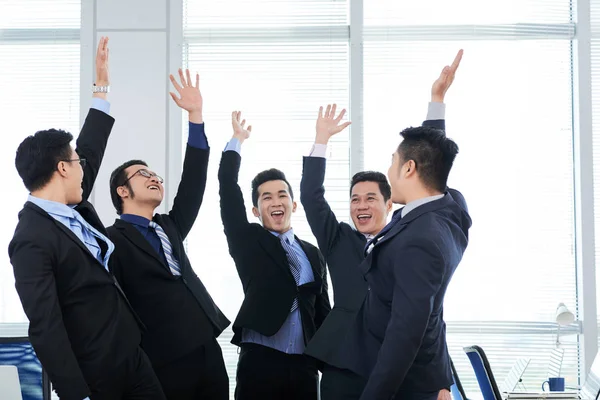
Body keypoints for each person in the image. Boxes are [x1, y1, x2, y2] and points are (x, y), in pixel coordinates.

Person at [9, 37, 166, 400]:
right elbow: (45, 326)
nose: (86, 168)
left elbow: (90, 148)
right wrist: (76, 394)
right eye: (78, 163)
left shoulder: (72, 206)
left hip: (133, 358)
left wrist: (101, 87)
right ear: (63, 168)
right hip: (98, 379)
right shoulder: (30, 239)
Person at [301, 50, 462, 400]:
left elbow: (432, 175)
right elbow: (312, 197)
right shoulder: (338, 239)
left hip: (397, 364)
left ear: (389, 204)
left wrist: (440, 379)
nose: (361, 205)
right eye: (355, 199)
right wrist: (322, 141)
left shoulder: (411, 235)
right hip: (343, 360)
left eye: (370, 198)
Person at [106, 68, 230, 400]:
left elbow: (193, 182)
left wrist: (196, 117)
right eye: (143, 173)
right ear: (122, 190)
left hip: (206, 344)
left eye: (158, 175)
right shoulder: (109, 240)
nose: (155, 178)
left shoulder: (170, 226)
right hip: (162, 357)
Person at [218, 111, 331, 400]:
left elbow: (323, 312)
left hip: (304, 367)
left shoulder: (313, 253)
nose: (275, 201)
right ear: (256, 211)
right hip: (260, 363)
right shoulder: (247, 240)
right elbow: (228, 189)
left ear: (293, 204)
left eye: (282, 194)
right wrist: (236, 142)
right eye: (266, 197)